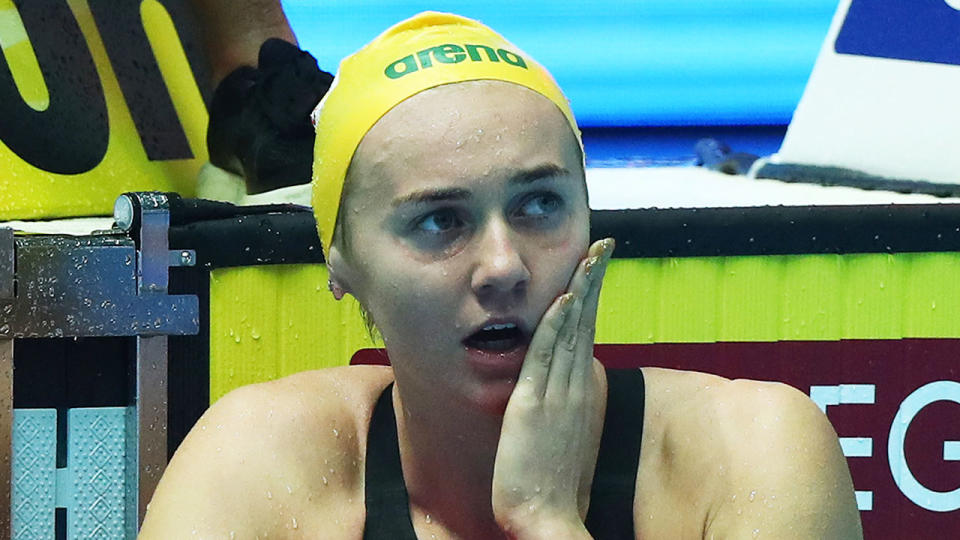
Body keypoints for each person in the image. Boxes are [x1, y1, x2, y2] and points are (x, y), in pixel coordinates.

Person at [139, 12, 863, 539]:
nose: (503, 266)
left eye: (539, 205)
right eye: (440, 221)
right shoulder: (264, 468)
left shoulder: (754, 456)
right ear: (342, 263)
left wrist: (546, 521)